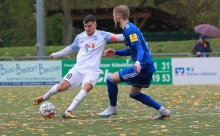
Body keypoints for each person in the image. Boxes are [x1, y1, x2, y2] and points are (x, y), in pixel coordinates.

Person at [33, 15, 124, 118]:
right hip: (78, 69)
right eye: (85, 26)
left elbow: (116, 37)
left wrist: (132, 35)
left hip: (92, 71)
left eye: (89, 26)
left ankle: (69, 111)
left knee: (86, 87)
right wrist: (56, 54)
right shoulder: (80, 37)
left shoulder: (102, 35)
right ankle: (44, 97)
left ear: (95, 25)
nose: (87, 29)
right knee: (61, 86)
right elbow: (71, 48)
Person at [98, 5, 170, 120]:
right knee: (134, 93)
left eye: (113, 16)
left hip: (142, 66)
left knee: (110, 80)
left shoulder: (129, 30)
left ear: (118, 17)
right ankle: (163, 111)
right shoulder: (129, 28)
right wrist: (115, 52)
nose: (113, 19)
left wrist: (137, 62)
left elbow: (140, 50)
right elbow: (133, 50)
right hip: (146, 65)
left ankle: (112, 108)